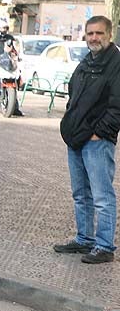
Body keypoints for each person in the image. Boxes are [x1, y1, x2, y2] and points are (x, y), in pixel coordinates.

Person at [54, 15, 120, 264]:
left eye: (99, 33)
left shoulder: (116, 63)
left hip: (96, 141)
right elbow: (74, 93)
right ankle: (84, 240)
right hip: (76, 138)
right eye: (90, 33)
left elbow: (117, 106)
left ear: (109, 35)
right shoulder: (87, 60)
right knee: (80, 194)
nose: (94, 38)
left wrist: (99, 133)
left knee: (102, 197)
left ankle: (104, 247)